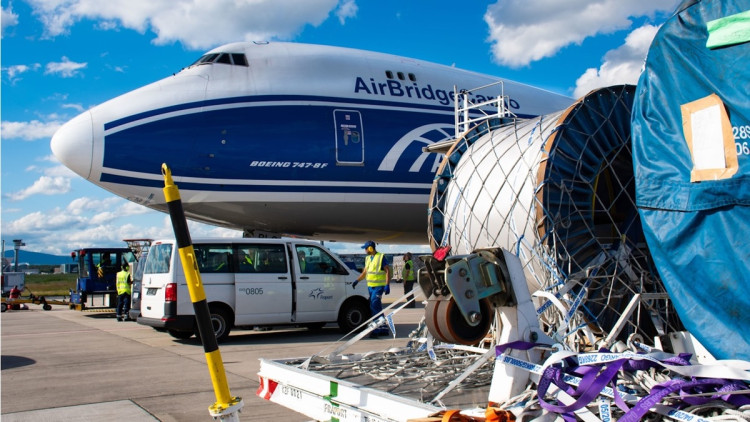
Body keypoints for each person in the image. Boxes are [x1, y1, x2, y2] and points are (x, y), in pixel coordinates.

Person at [353, 240, 391, 337]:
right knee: (376, 307)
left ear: (370, 248)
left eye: (365, 248)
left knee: (374, 305)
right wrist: (357, 280)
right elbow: (365, 272)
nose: (365, 250)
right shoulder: (367, 258)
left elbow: (387, 271)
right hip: (370, 287)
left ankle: (376, 329)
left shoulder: (381, 257)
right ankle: (383, 328)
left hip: (379, 286)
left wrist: (387, 285)